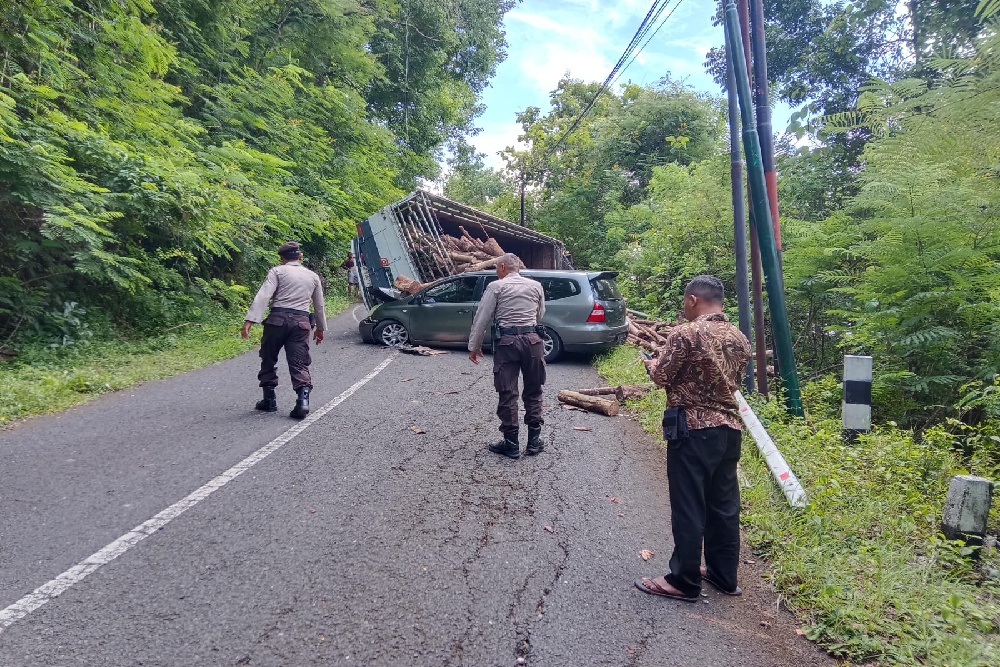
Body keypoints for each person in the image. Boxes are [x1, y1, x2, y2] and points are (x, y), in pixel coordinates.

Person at [634, 275, 751, 602]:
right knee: (724, 505)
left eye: (686, 302)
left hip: (693, 428)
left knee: (689, 504)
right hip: (730, 431)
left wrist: (652, 364)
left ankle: (683, 580)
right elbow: (735, 384)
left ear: (693, 300)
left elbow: (663, 377)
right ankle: (724, 575)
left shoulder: (686, 333)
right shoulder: (740, 338)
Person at [468, 253, 546, 459]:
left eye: (496, 268)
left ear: (502, 267)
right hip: (533, 341)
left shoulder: (496, 286)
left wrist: (474, 346)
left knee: (508, 391)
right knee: (534, 390)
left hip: (507, 343)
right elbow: (540, 315)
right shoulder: (535, 285)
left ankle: (511, 444)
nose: (496, 271)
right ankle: (534, 442)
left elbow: (482, 317)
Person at [241, 241, 326, 419]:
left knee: (268, 357)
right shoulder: (313, 276)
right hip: (301, 324)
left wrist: (250, 320)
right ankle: (302, 402)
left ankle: (269, 400)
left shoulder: (277, 271)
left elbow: (264, 295)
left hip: (277, 321)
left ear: (282, 258)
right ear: (300, 257)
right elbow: (319, 305)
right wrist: (320, 328)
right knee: (299, 362)